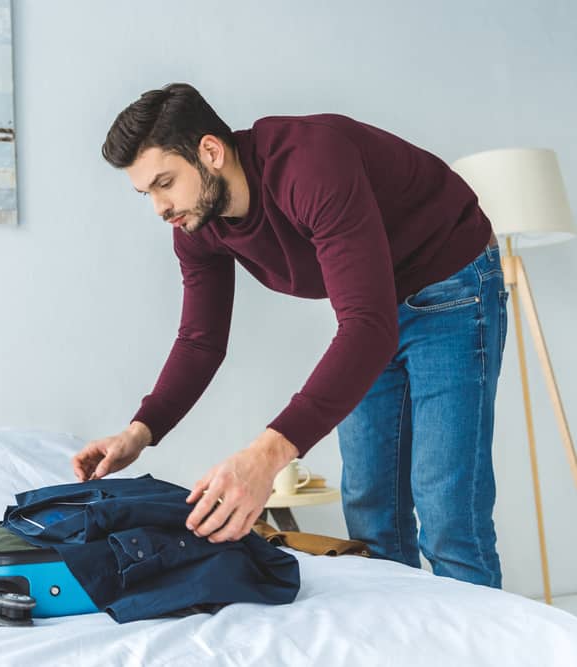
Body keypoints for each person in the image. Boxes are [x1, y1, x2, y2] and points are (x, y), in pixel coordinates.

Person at [71, 83, 507, 588]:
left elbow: (367, 328)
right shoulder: (197, 225)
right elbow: (200, 340)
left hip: (449, 284)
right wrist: (140, 431)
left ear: (210, 152)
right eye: (147, 192)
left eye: (165, 182)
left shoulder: (309, 165)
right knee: (372, 514)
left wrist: (263, 459)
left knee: (450, 515)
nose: (160, 208)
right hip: (371, 310)